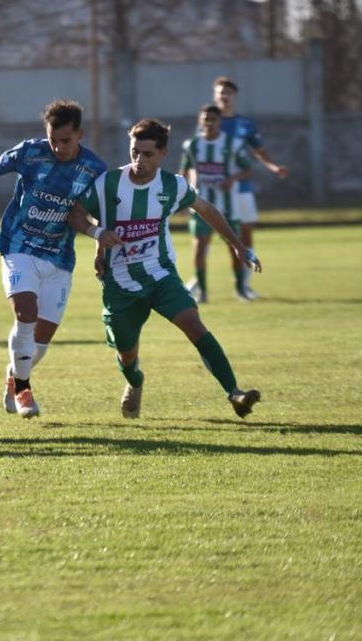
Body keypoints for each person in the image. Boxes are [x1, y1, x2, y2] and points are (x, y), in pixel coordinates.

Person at [71, 117, 263, 420]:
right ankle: (135, 381)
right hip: (120, 283)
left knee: (195, 326)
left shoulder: (173, 186)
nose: (139, 160)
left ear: (163, 154)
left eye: (147, 154)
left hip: (161, 274)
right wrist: (97, 236)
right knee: (126, 354)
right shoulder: (108, 183)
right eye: (134, 152)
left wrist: (237, 245)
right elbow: (76, 213)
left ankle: (235, 393)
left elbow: (207, 210)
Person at [0, 99, 107, 418]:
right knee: (26, 312)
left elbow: (96, 216)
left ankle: (14, 376)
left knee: (41, 339)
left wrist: (100, 248)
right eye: (53, 139)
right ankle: (25, 391)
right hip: (19, 245)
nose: (58, 147)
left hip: (59, 257)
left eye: (65, 140)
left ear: (80, 134)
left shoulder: (95, 169)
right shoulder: (31, 152)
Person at [213, 76, 288, 300]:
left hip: (242, 188)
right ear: (215, 96)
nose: (223, 97)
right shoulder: (209, 122)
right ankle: (202, 282)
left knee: (246, 234)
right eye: (219, 93)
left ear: (235, 96)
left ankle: (244, 284)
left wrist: (274, 167)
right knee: (220, 236)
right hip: (218, 190)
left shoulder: (245, 124)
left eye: (227, 93)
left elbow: (259, 151)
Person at [181, 103, 253, 304]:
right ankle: (202, 292)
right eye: (205, 118)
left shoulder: (233, 144)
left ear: (219, 121)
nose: (209, 122)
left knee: (234, 248)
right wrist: (182, 196)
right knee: (199, 248)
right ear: (200, 120)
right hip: (200, 206)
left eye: (213, 119)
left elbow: (248, 169)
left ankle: (240, 289)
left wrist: (233, 179)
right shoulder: (192, 145)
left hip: (228, 207)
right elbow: (184, 171)